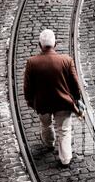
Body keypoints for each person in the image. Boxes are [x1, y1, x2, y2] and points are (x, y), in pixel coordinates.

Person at [23, 29, 83, 166]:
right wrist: (76, 99)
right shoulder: (66, 60)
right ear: (55, 44)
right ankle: (65, 158)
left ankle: (49, 144)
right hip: (63, 102)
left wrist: (31, 102)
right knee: (64, 130)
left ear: (40, 45)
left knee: (45, 124)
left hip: (42, 103)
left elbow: (27, 87)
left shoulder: (31, 62)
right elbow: (75, 84)